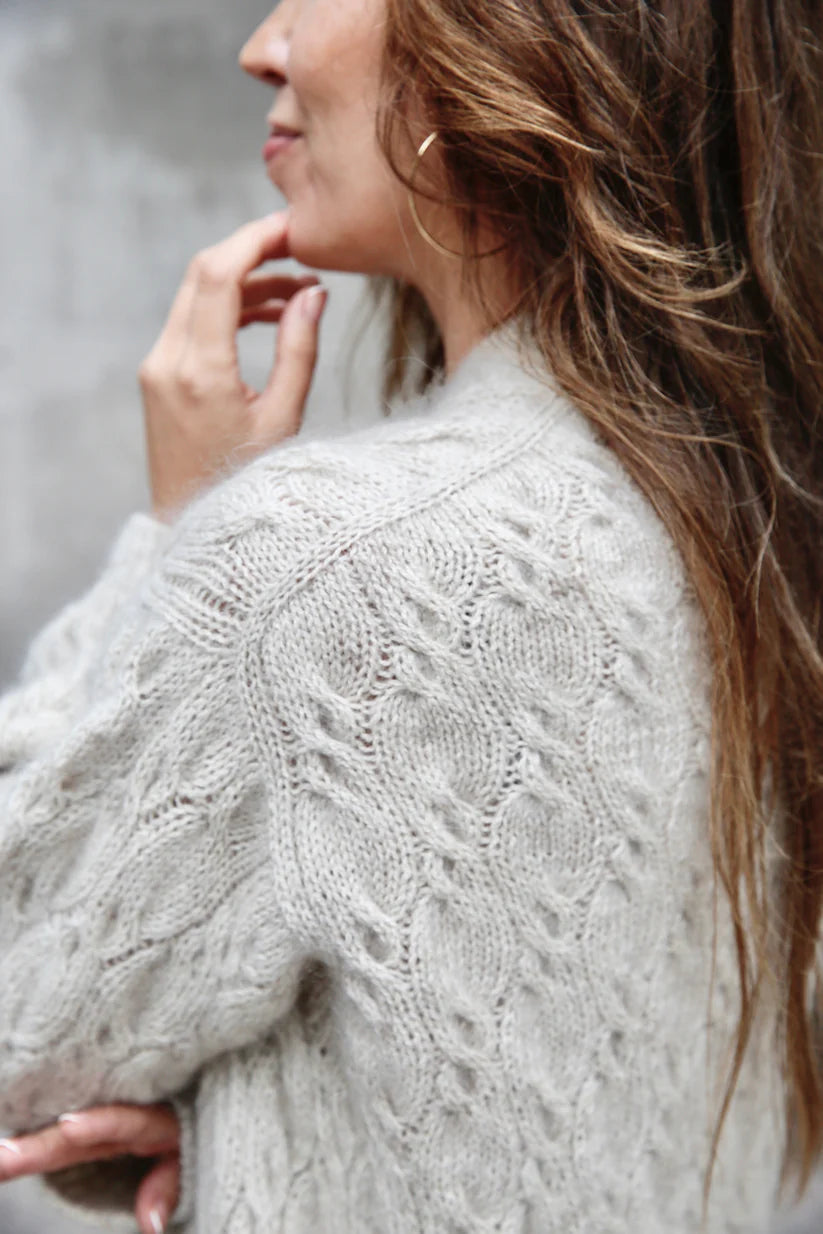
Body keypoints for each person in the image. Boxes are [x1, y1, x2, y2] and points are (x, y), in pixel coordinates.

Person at [1, 0, 822, 1231]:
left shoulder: (328, 564)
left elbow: (20, 1003)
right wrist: (265, 1118)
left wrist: (175, 530)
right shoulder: (751, 528)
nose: (261, 46)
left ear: (518, 30)